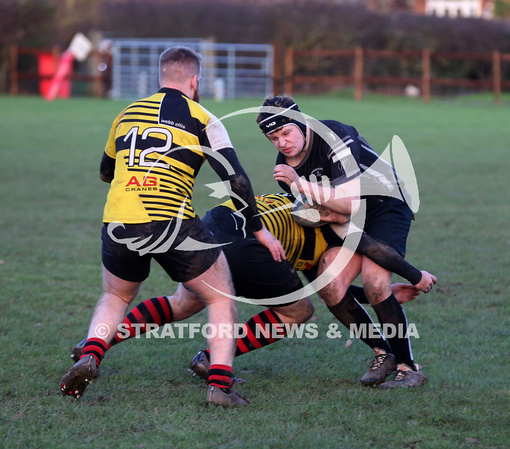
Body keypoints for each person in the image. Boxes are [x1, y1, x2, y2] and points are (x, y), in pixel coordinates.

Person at [60, 46, 285, 407]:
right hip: (171, 219)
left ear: (161, 76)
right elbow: (237, 181)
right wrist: (258, 227)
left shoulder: (127, 113)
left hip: (119, 218)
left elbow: (106, 172)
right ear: (195, 80)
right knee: (219, 295)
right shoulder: (203, 118)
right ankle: (220, 387)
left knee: (116, 294)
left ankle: (92, 353)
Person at [70, 193, 436, 391]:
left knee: (184, 302)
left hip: (211, 226)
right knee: (298, 313)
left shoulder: (299, 202)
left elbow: (315, 284)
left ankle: (94, 348)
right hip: (249, 249)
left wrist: (366, 291)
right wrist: (413, 276)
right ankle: (211, 359)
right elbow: (329, 284)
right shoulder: (334, 232)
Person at [256, 96, 436, 388]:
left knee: (376, 282)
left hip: (385, 204)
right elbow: (328, 220)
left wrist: (301, 185)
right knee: (330, 283)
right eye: (273, 138)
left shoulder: (336, 136)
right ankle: (383, 353)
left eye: (286, 133)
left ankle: (408, 367)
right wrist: (324, 210)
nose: (282, 143)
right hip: (345, 218)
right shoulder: (284, 168)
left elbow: (349, 205)